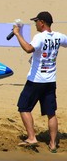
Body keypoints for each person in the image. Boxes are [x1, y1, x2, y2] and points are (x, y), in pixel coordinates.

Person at [13, 11, 67, 153]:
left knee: (23, 106)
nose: (35, 23)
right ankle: (53, 144)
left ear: (42, 22)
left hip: (36, 80)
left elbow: (28, 49)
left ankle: (32, 137)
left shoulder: (40, 37)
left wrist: (17, 34)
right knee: (51, 112)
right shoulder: (59, 37)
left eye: (36, 21)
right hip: (50, 81)